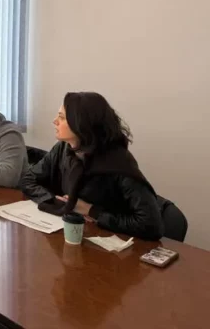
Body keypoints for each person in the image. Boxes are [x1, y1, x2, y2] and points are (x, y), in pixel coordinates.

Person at [20, 92, 163, 240]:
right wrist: (57, 202)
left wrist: (92, 211)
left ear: (81, 124)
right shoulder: (63, 148)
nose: (54, 121)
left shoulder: (118, 162)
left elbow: (151, 225)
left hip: (112, 244)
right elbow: (28, 180)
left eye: (62, 118)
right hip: (74, 233)